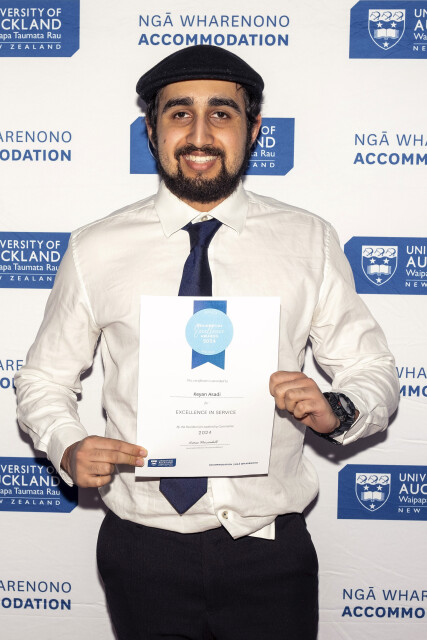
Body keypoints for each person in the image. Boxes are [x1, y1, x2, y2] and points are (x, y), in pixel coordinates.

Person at [15, 45, 399, 640]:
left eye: (221, 113)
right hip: (141, 549)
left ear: (254, 129)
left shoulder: (310, 241)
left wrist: (338, 408)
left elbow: (371, 367)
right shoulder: (95, 248)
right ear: (151, 131)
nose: (199, 134)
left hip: (270, 550)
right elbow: (43, 379)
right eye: (179, 114)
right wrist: (67, 445)